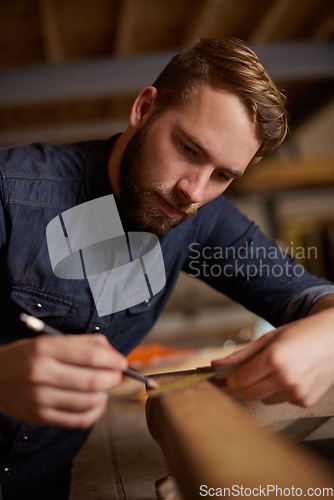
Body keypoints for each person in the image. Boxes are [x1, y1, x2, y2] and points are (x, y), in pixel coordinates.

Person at [0, 37, 333, 499]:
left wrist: (329, 333)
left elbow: (306, 294)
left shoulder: (202, 223)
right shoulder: (10, 192)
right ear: (144, 108)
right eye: (189, 149)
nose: (193, 192)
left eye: (222, 175)